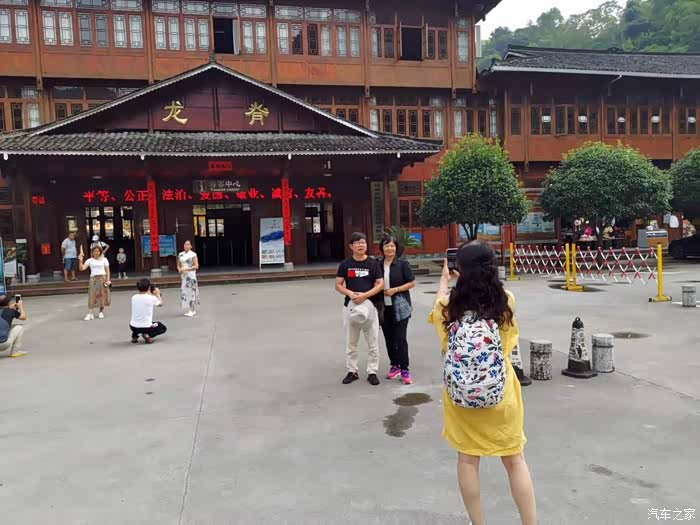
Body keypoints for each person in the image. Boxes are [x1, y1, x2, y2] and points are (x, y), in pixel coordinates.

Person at [428, 241, 537, 525]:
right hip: (502, 393)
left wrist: (444, 281)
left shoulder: (446, 307)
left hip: (461, 398)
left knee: (467, 460)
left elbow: (439, 319)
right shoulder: (506, 302)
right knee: (515, 460)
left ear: (459, 269)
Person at [335, 232, 384, 386]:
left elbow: (380, 284)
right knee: (351, 342)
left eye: (363, 242)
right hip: (350, 307)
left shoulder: (373, 264)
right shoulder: (345, 264)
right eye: (357, 243)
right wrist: (350, 293)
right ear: (351, 246)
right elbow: (338, 285)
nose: (361, 245)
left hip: (370, 307)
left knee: (373, 342)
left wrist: (365, 296)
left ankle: (372, 372)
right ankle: (352, 371)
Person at [378, 234, 416, 385]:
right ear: (382, 248)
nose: (389, 248)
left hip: (400, 306)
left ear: (396, 248)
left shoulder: (402, 264)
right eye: (386, 245)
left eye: (392, 245)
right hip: (383, 307)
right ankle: (394, 365)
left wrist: (396, 289)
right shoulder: (377, 265)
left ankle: (405, 369)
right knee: (389, 338)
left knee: (400, 338)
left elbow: (411, 282)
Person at [129, 278, 167, 344]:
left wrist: (150, 293)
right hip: (146, 327)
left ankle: (135, 336)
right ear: (149, 287)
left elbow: (144, 298)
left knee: (138, 324)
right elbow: (160, 304)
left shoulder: (134, 297)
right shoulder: (151, 298)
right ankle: (147, 335)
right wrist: (158, 294)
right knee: (162, 327)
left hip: (132, 326)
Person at [78, 245, 111, 320]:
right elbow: (82, 268)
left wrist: (108, 280)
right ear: (92, 252)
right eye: (94, 251)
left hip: (103, 278)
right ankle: (90, 313)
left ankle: (101, 312)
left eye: (98, 251)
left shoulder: (104, 260)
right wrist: (80, 260)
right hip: (93, 279)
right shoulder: (89, 260)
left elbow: (107, 270)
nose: (96, 253)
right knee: (92, 295)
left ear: (100, 252)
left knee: (102, 295)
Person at [177, 240, 199, 317]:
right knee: (185, 292)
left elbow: (196, 266)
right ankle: (191, 310)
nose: (186, 246)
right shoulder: (180, 254)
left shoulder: (193, 254)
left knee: (191, 292)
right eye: (185, 244)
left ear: (191, 246)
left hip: (191, 276)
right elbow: (178, 265)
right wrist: (179, 269)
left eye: (188, 244)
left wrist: (186, 269)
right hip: (184, 276)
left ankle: (192, 310)